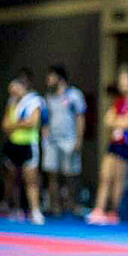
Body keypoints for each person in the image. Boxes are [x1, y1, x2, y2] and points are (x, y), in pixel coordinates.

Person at [87, 65, 128, 225]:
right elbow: (107, 120)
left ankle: (114, 212)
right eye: (121, 80)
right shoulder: (119, 102)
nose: (122, 83)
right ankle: (99, 210)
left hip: (127, 145)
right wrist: (119, 121)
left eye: (126, 80)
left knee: (118, 180)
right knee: (105, 175)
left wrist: (118, 121)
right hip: (114, 144)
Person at [0, 72, 46, 225]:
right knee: (13, 178)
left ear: (22, 87)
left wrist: (14, 125)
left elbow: (32, 122)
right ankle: (16, 209)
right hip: (13, 144)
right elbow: (5, 125)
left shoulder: (34, 101)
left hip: (28, 144)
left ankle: (35, 211)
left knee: (31, 179)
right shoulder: (11, 102)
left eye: (14, 89)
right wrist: (19, 124)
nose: (12, 92)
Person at [41, 65, 86, 217]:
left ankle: (74, 205)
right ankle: (55, 206)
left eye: (50, 77)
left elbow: (80, 117)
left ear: (59, 78)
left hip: (69, 140)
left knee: (71, 174)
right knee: (51, 173)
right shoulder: (48, 96)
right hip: (52, 141)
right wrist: (45, 135)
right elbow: (45, 118)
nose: (47, 80)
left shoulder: (74, 95)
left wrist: (79, 139)